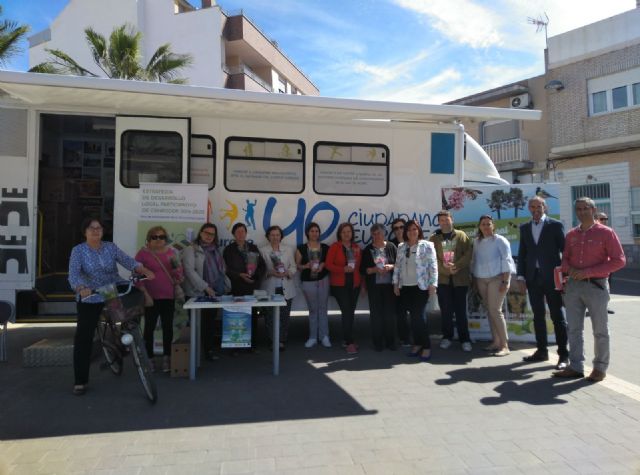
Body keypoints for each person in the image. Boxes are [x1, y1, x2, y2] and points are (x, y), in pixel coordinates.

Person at [68, 217, 155, 395]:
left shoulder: (110, 247)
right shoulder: (78, 251)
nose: (95, 231)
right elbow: (73, 275)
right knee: (84, 337)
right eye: (91, 228)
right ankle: (80, 380)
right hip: (91, 294)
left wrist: (142, 269)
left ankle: (124, 335)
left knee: (134, 301)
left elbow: (128, 261)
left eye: (98, 228)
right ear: (84, 231)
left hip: (111, 290)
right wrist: (80, 287)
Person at [553, 197, 625, 382]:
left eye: (586, 208)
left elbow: (619, 260)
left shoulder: (606, 233)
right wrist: (569, 269)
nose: (582, 212)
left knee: (600, 330)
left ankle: (600, 368)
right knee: (574, 329)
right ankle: (576, 366)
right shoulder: (571, 235)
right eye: (579, 209)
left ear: (593, 210)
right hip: (574, 287)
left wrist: (588, 272)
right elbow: (565, 258)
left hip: (596, 286)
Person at [516, 196, 568, 369]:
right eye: (532, 206)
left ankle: (563, 356)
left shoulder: (555, 225)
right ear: (529, 209)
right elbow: (522, 254)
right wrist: (521, 277)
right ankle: (541, 351)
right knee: (537, 316)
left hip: (552, 278)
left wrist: (565, 276)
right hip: (533, 278)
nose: (536, 209)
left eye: (539, 206)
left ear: (545, 207)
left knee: (557, 316)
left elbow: (565, 251)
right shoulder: (524, 227)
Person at [135, 226, 184, 372]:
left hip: (168, 296)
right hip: (150, 297)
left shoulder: (171, 253)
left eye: (162, 237)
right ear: (148, 240)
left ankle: (167, 358)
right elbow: (136, 276)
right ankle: (149, 358)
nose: (158, 240)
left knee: (167, 328)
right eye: (154, 237)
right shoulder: (143, 254)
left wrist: (178, 274)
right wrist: (145, 294)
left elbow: (178, 275)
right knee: (149, 329)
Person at [393, 219, 438, 361]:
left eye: (415, 229)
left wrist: (433, 284)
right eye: (409, 230)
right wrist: (395, 284)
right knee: (413, 318)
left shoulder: (427, 245)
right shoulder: (401, 246)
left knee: (418, 317)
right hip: (405, 287)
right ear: (405, 232)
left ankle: (426, 346)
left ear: (419, 230)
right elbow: (397, 267)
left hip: (421, 287)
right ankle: (417, 343)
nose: (412, 232)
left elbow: (433, 266)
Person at [182, 223, 227, 361]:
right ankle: (195, 354)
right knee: (196, 324)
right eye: (206, 233)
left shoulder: (216, 250)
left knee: (209, 323)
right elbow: (189, 271)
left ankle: (208, 351)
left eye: (212, 234)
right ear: (200, 233)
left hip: (214, 292)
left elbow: (221, 269)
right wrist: (205, 287)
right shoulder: (191, 249)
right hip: (197, 292)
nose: (209, 236)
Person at [470, 215, 514, 357]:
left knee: (495, 310)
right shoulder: (476, 242)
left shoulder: (500, 240)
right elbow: (474, 261)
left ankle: (504, 345)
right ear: (479, 226)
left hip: (498, 278)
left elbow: (507, 260)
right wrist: (474, 279)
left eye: (488, 224)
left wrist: (505, 281)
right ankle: (496, 341)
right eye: (483, 224)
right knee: (490, 310)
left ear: (493, 225)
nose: (486, 226)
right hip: (481, 279)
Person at [429, 210, 473, 352]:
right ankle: (447, 337)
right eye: (441, 220)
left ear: (451, 220)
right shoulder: (434, 238)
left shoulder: (461, 235)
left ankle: (465, 339)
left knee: (461, 312)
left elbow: (469, 253)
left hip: (460, 280)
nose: (444, 222)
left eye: (446, 219)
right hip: (443, 280)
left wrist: (457, 266)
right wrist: (445, 270)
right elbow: (432, 259)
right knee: (446, 311)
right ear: (438, 222)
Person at [223, 222, 266, 348]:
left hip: (251, 287)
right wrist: (239, 275)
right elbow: (226, 269)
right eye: (238, 232)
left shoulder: (253, 248)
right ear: (233, 234)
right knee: (236, 317)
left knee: (251, 316)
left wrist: (255, 278)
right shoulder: (229, 250)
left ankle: (252, 345)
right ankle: (235, 346)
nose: (241, 234)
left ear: (246, 233)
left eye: (243, 231)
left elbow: (262, 266)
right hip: (236, 287)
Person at [326, 222, 362, 355]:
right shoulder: (334, 247)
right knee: (347, 311)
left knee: (350, 313)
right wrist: (343, 269)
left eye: (349, 231)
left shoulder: (356, 247)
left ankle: (347, 339)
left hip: (354, 285)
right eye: (344, 232)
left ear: (352, 233)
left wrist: (362, 285)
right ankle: (349, 342)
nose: (347, 234)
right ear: (340, 234)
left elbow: (359, 267)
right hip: (339, 286)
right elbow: (329, 265)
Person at [360, 223, 397, 351]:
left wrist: (391, 267)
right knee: (376, 315)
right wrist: (374, 269)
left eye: (379, 233)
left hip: (389, 287)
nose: (376, 236)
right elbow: (363, 270)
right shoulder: (368, 249)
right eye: (374, 234)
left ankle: (390, 342)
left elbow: (399, 264)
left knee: (389, 315)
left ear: (384, 233)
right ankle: (377, 343)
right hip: (374, 287)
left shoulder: (392, 246)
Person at [260, 225, 297, 351]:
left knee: (284, 316)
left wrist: (287, 272)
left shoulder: (288, 249)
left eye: (277, 235)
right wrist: (270, 272)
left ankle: (281, 340)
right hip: (270, 287)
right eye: (272, 235)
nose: (275, 237)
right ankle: (272, 340)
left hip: (285, 286)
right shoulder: (262, 250)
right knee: (270, 316)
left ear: (281, 236)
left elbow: (293, 267)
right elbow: (260, 270)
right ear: (268, 237)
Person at [295, 222, 331, 348]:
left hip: (323, 281)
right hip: (308, 281)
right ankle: (312, 337)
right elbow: (297, 266)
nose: (314, 233)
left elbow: (329, 263)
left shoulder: (325, 247)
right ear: (307, 233)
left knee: (323, 308)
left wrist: (322, 265)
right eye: (312, 231)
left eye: (316, 231)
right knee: (313, 309)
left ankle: (324, 336)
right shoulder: (301, 248)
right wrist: (306, 266)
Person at [389, 218, 411, 346]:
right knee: (400, 312)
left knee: (416, 312)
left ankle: (420, 338)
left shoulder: (413, 242)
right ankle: (404, 338)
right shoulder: (390, 245)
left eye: (401, 227)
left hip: (413, 283)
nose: (398, 230)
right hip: (397, 283)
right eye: (395, 228)